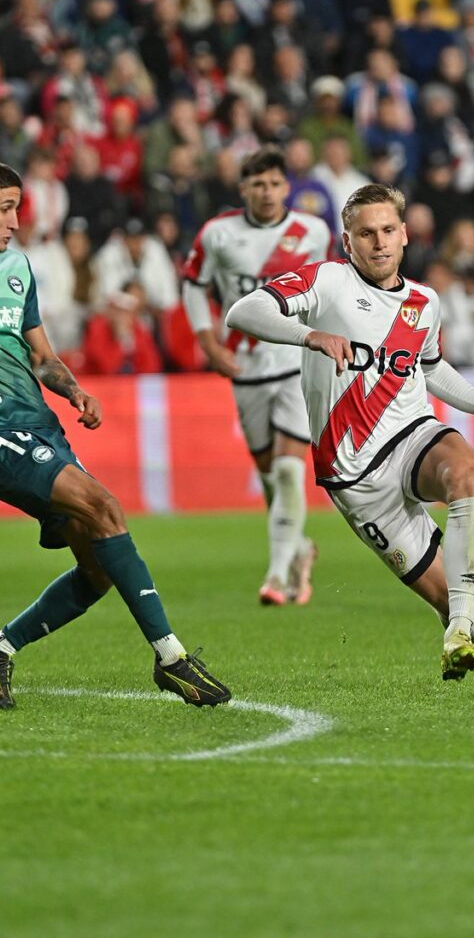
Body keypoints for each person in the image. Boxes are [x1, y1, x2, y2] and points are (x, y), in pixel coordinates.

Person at [0, 158, 230, 711]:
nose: (15, 222)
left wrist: (73, 389)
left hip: (42, 429)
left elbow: (44, 357)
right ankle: (171, 658)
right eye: (6, 208)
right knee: (106, 508)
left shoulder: (17, 270)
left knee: (98, 569)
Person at [226, 182, 474, 685]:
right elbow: (243, 312)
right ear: (348, 242)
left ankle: (455, 630)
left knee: (466, 470)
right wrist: (311, 334)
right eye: (365, 233)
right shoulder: (326, 282)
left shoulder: (424, 302)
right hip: (356, 479)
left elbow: (430, 370)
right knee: (444, 591)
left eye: (388, 230)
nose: (379, 242)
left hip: (411, 434)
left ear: (405, 234)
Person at [183, 146, 333, 606]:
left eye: (274, 183)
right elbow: (193, 284)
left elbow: (327, 288)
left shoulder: (311, 231)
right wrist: (208, 343)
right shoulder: (218, 234)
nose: (267, 192)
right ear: (242, 188)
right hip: (245, 366)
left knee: (289, 472)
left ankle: (276, 578)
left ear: (287, 187)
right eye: (257, 184)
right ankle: (300, 552)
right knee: (271, 479)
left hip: (295, 362)